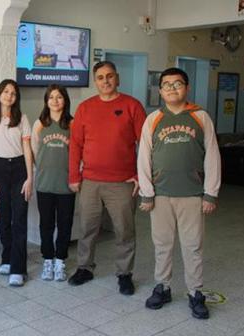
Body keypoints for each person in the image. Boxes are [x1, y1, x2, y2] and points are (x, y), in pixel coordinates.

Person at [137, 67, 221, 319]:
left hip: (192, 195)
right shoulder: (153, 119)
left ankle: (196, 292)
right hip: (161, 195)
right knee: (162, 244)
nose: (172, 88)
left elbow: (213, 156)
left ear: (187, 87)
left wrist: (210, 193)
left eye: (177, 84)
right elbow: (143, 157)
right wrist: (146, 192)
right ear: (160, 90)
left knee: (193, 246)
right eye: (167, 84)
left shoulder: (200, 116)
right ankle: (163, 287)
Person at [68, 61, 146, 295]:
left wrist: (140, 175)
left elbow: (146, 144)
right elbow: (75, 144)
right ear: (95, 81)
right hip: (90, 181)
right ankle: (85, 268)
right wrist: (74, 176)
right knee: (87, 228)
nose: (105, 81)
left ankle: (124, 273)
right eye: (100, 77)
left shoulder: (132, 106)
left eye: (109, 76)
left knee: (124, 230)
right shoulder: (85, 108)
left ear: (117, 78)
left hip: (122, 182)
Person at [0, 79, 33, 287]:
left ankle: (18, 269)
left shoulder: (22, 119)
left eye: (13, 93)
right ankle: (7, 258)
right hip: (0, 169)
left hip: (20, 168)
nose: (9, 96)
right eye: (5, 91)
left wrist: (30, 177)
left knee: (19, 218)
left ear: (16, 98)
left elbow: (28, 150)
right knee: (4, 217)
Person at [30, 84, 75, 282]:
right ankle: (48, 259)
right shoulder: (40, 124)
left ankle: (60, 261)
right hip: (45, 184)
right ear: (46, 101)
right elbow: (33, 151)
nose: (55, 101)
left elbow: (79, 153)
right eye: (51, 97)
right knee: (46, 224)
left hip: (66, 184)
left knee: (65, 224)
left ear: (65, 100)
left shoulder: (73, 124)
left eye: (59, 97)